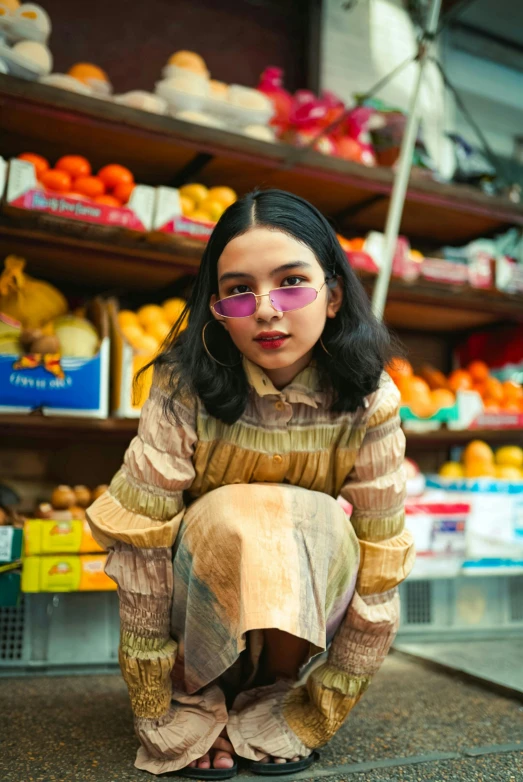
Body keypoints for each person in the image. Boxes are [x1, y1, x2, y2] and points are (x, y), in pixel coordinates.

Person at [87, 189, 415, 778]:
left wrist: (319, 710)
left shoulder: (372, 399)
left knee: (315, 521)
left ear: (333, 295)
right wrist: (161, 712)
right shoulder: (181, 386)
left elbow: (383, 559)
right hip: (196, 614)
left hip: (300, 624)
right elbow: (141, 549)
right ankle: (205, 707)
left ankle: (272, 700)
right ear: (216, 307)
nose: (265, 309)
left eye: (291, 282)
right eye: (239, 291)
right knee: (239, 513)